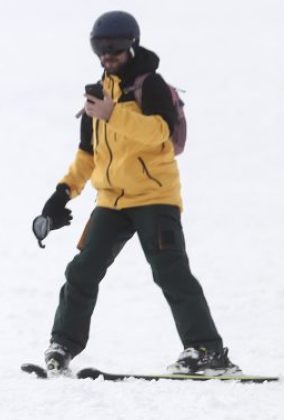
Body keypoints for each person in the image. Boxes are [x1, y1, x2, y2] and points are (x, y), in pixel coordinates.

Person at [37, 11, 240, 375]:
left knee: (171, 272)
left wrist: (114, 113)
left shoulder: (150, 86)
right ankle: (62, 346)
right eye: (100, 47)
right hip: (111, 201)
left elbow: (159, 133)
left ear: (131, 44)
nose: (107, 54)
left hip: (154, 197)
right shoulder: (97, 96)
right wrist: (60, 195)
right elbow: (88, 154)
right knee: (82, 270)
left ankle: (208, 351)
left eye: (114, 47)